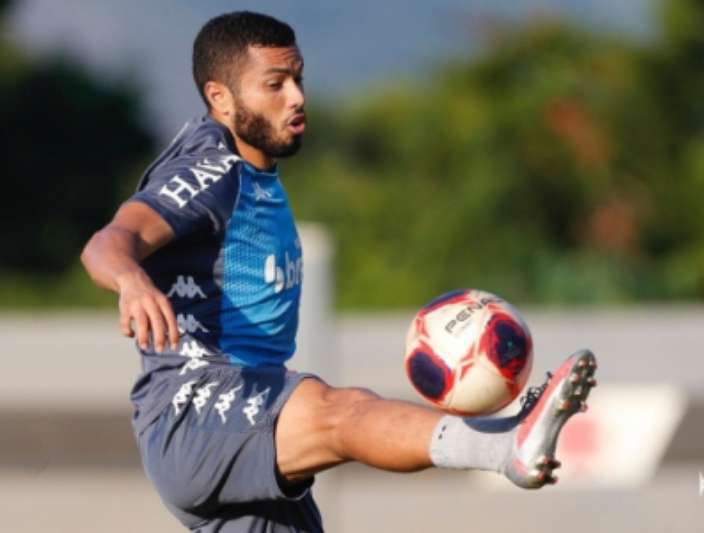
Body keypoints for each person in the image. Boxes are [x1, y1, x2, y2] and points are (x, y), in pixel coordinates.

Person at [81, 11, 597, 533]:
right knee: (341, 412)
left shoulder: (247, 166)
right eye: (275, 85)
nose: (297, 97)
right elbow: (109, 241)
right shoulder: (208, 172)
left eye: (298, 78)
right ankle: (505, 443)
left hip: (246, 412)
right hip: (196, 412)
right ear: (221, 99)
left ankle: (507, 438)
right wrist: (131, 281)